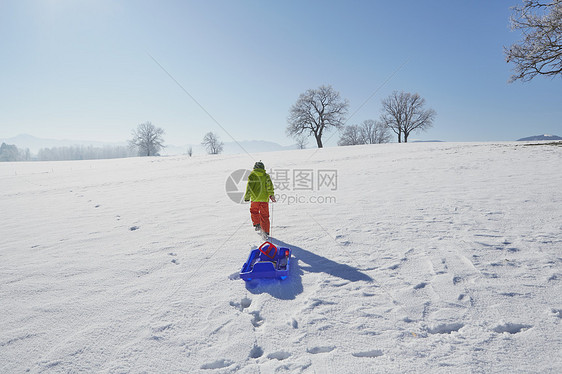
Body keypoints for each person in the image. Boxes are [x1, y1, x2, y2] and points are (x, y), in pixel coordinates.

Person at [244, 161, 276, 236]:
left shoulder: (252, 175)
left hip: (255, 199)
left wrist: (247, 196)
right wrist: (271, 195)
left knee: (254, 211)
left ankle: (257, 224)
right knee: (264, 215)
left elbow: (249, 187)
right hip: (264, 199)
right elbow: (269, 186)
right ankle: (265, 232)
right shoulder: (266, 176)